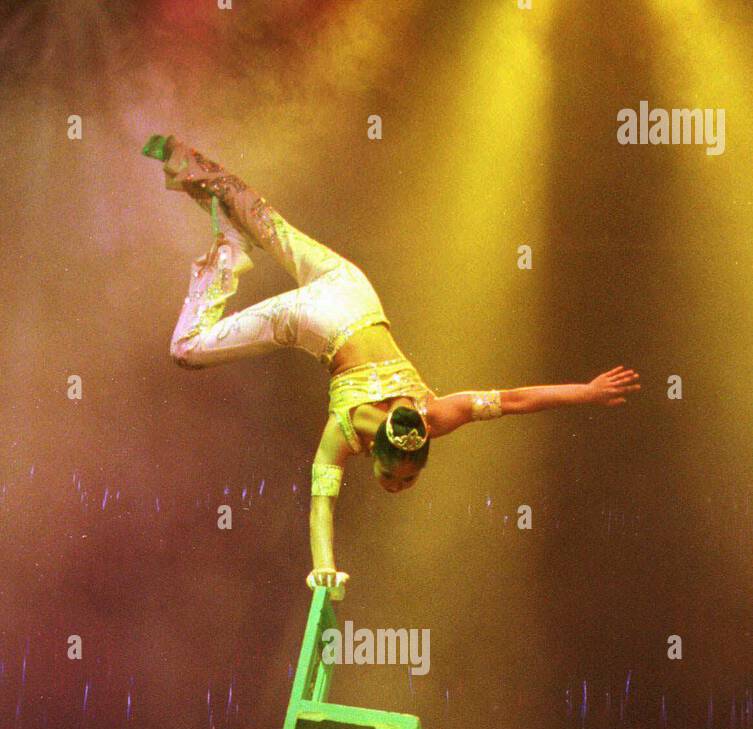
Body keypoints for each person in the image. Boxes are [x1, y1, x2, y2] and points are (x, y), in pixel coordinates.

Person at [143, 136, 640, 597]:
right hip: (318, 319)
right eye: (399, 478)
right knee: (186, 349)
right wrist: (324, 567)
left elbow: (512, 401)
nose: (397, 486)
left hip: (355, 289)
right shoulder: (346, 433)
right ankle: (228, 250)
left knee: (271, 225)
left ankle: (187, 161)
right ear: (379, 451)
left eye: (400, 479)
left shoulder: (433, 417)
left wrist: (587, 393)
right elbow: (322, 505)